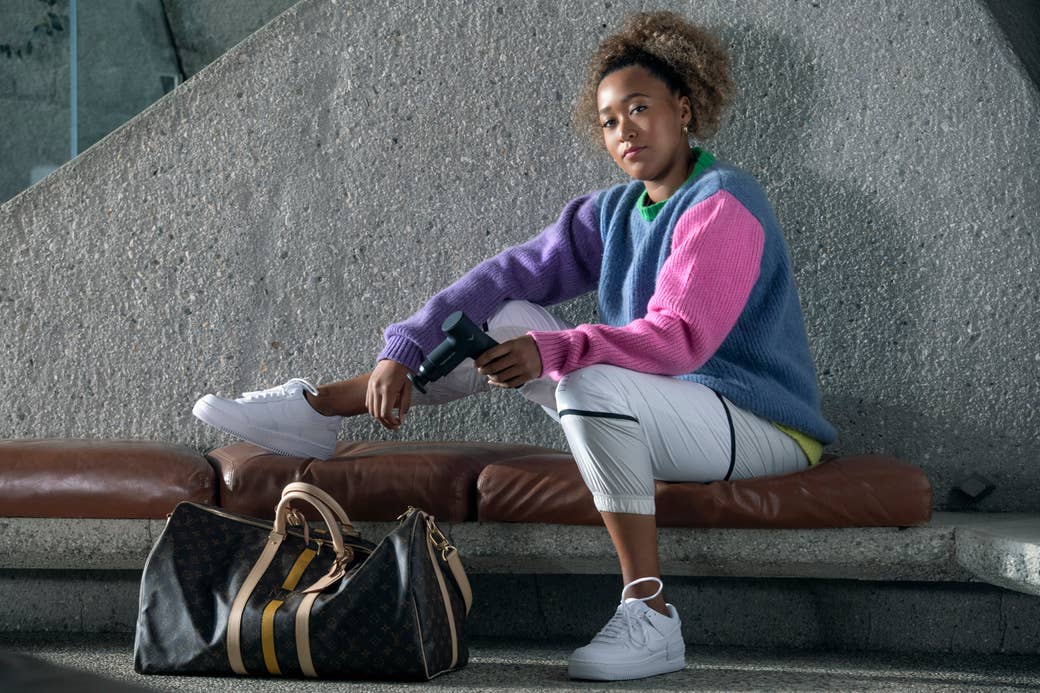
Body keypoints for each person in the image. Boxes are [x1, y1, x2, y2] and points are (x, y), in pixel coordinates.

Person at [193, 10, 837, 682]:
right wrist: (401, 350)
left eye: (640, 109)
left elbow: (680, 339)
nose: (625, 131)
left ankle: (649, 614)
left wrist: (552, 351)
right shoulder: (616, 212)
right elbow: (503, 277)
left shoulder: (724, 201)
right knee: (502, 314)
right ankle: (321, 409)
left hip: (760, 424)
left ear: (684, 107)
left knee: (584, 376)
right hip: (669, 415)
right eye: (611, 120)